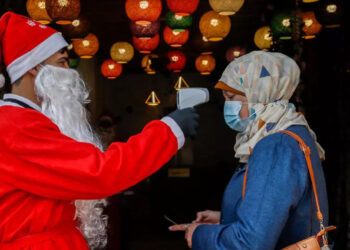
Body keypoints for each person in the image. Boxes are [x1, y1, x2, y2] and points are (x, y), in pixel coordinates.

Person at [0, 12, 199, 250]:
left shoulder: (21, 120)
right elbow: (100, 172)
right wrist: (169, 130)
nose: (71, 73)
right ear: (35, 68)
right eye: (62, 62)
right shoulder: (15, 125)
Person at [169, 51, 329, 249]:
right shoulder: (291, 131)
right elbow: (274, 211)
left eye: (232, 97)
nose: (228, 106)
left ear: (260, 93)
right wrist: (225, 220)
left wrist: (200, 235)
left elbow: (250, 243)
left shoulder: (276, 146)